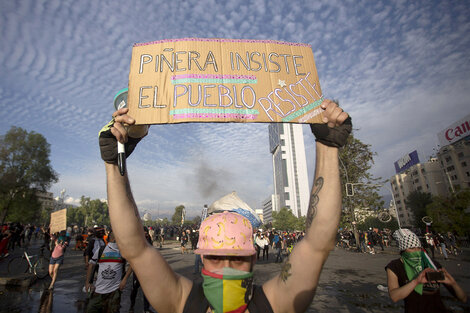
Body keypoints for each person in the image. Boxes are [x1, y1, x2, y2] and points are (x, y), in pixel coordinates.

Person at [100, 99, 351, 312]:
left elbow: (317, 244)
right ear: (203, 259)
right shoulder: (181, 301)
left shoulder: (274, 303)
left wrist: (328, 146)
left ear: (253, 259)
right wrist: (114, 163)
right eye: (216, 258)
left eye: (237, 259)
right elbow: (135, 249)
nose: (227, 269)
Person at [385, 229, 467, 312]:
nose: (416, 251)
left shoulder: (432, 264)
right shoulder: (395, 266)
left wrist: (453, 283)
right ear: (402, 249)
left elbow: (463, 298)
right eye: (412, 248)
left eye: (419, 248)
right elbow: (394, 296)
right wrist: (416, 281)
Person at [85, 231, 132, 313]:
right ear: (113, 239)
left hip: (114, 291)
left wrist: (124, 280)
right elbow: (91, 265)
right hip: (98, 291)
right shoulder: (101, 250)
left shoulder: (123, 252)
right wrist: (87, 282)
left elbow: (133, 264)